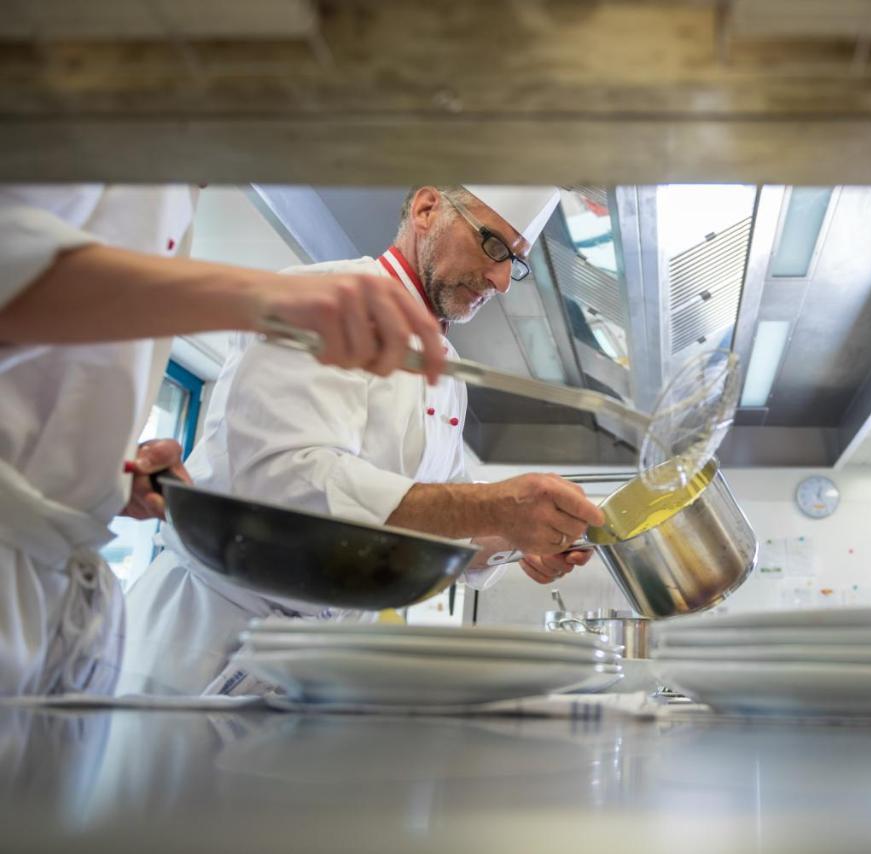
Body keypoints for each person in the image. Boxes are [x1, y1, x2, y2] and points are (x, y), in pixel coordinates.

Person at [119, 185, 606, 696]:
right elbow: (286, 484)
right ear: (426, 209)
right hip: (204, 644)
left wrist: (515, 537)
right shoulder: (320, 299)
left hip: (322, 661)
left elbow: (440, 525)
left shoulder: (448, 373)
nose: (502, 280)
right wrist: (494, 508)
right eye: (493, 245)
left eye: (516, 262)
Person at [0, 184, 447, 696]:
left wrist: (99, 465)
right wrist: (258, 297)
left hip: (58, 593)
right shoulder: (87, 128)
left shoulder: (178, 191)